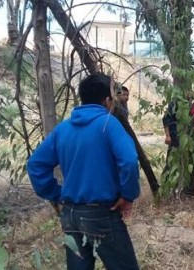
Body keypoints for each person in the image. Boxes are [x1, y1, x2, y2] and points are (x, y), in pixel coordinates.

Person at [27, 73, 140, 270]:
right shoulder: (108, 124)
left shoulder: (63, 129)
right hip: (101, 214)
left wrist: (57, 194)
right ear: (107, 100)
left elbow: (35, 165)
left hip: (71, 215)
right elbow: (129, 161)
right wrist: (128, 195)